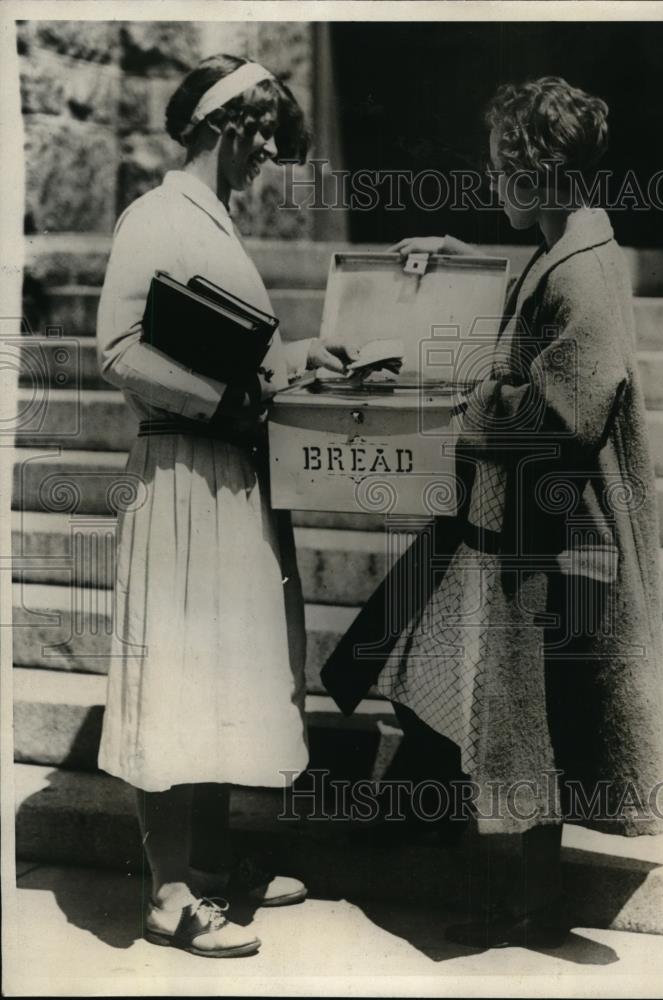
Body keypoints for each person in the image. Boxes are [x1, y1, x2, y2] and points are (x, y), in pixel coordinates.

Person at [322, 76, 663, 948]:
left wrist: (469, 399)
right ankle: (446, 839)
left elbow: (561, 410)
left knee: (530, 722)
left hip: (559, 538)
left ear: (540, 173)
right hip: (526, 526)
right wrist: (455, 252)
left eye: (502, 170)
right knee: (482, 693)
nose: (493, 184)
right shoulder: (566, 250)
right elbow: (534, 315)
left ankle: (525, 904)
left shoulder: (587, 272)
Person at [97, 54, 354, 958]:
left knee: (217, 678)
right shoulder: (155, 217)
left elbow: (244, 350)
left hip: (232, 479)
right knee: (176, 674)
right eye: (263, 140)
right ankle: (168, 895)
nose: (268, 160)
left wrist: (305, 357)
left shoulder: (215, 225)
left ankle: (209, 867)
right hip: (179, 480)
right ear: (226, 128)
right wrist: (226, 402)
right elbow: (121, 351)